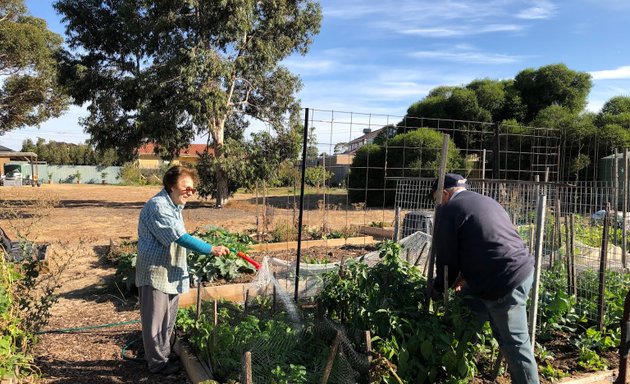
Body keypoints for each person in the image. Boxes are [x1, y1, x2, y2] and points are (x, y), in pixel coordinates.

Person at [430, 173, 539, 384]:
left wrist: (438, 288)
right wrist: (466, 276)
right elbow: (483, 242)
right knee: (473, 305)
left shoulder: (450, 210)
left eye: (436, 198)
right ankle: (461, 359)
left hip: (504, 279)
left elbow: (447, 260)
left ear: (444, 193)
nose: (436, 204)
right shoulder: (484, 200)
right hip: (521, 269)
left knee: (516, 344)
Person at [136, 165, 229, 375]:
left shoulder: (174, 206)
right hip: (156, 271)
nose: (190, 192)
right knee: (156, 320)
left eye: (192, 189)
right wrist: (210, 249)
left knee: (168, 318)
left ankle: (162, 356)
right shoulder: (159, 206)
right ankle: (158, 364)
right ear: (171, 186)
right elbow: (181, 238)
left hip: (169, 271)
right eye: (185, 187)